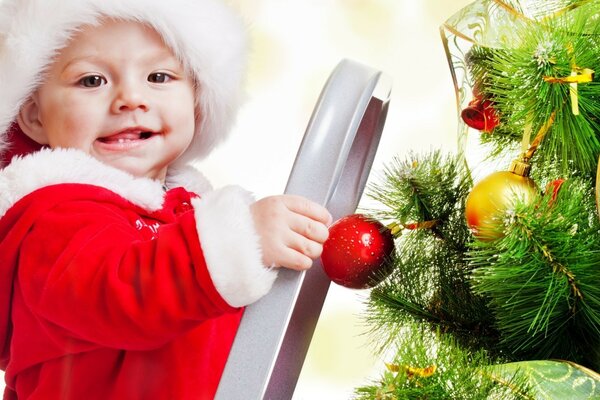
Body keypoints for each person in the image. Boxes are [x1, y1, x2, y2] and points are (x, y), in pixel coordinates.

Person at [0, 0, 332, 399]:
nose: (130, 99)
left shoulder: (183, 215)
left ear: (197, 97)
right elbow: (121, 294)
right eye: (91, 81)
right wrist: (243, 241)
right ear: (34, 115)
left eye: (158, 76)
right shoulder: (54, 220)